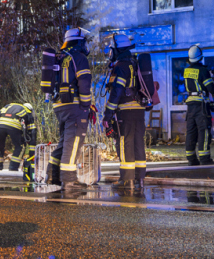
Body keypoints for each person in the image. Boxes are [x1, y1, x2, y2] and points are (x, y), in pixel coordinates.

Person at [49, 27, 93, 191]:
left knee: (65, 142)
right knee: (73, 144)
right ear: (80, 41)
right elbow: (84, 82)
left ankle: (53, 176)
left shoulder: (60, 58)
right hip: (75, 106)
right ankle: (69, 181)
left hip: (59, 106)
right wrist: (86, 105)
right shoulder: (78, 57)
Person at [102, 34, 147, 190]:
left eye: (111, 50)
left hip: (126, 111)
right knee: (138, 144)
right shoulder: (134, 63)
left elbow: (117, 92)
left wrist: (107, 114)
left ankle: (127, 180)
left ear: (118, 49)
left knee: (125, 143)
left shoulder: (121, 66)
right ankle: (139, 179)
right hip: (139, 110)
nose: (110, 53)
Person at [184, 44, 214, 166]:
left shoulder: (187, 70)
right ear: (200, 57)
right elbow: (212, 89)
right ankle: (204, 159)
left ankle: (191, 159)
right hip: (201, 107)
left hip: (190, 106)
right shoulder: (203, 71)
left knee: (191, 132)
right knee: (203, 131)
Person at [0, 102, 35, 172]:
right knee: (20, 146)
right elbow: (32, 132)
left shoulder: (9, 105)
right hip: (14, 125)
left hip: (0, 123)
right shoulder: (28, 111)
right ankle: (13, 168)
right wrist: (32, 152)